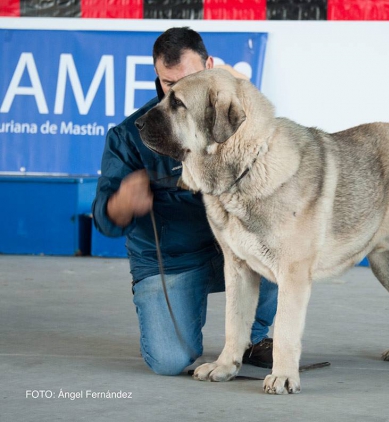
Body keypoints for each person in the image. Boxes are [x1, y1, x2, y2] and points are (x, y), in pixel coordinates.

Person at [92, 27, 278, 376]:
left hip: (231, 248)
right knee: (170, 361)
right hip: (172, 261)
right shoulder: (129, 135)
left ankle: (251, 338)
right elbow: (103, 218)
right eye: (167, 83)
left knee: (273, 243)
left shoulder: (233, 115)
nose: (178, 91)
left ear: (210, 65)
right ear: (157, 78)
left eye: (190, 79)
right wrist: (122, 203)